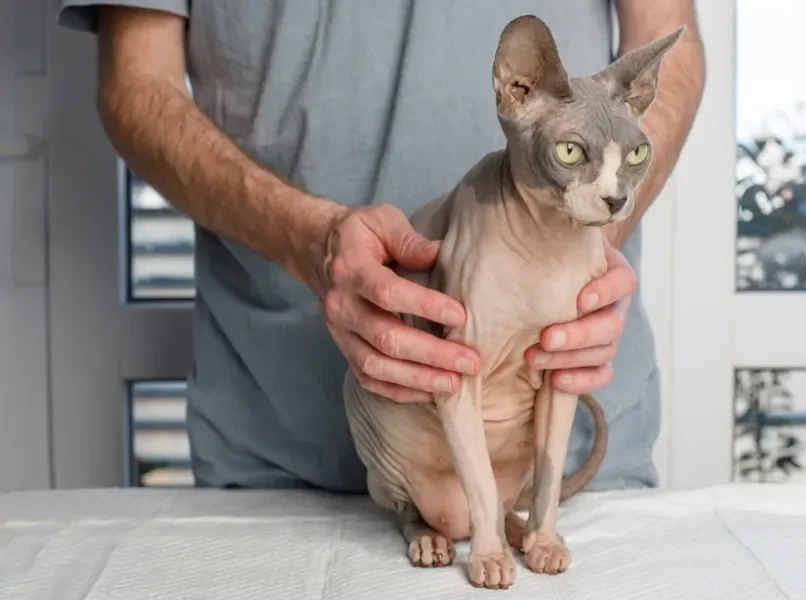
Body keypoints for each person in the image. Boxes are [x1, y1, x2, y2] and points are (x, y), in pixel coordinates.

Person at [57, 1, 705, 492]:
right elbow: (136, 84)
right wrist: (308, 239)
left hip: (561, 457)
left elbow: (666, 48)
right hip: (279, 453)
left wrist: (585, 229)